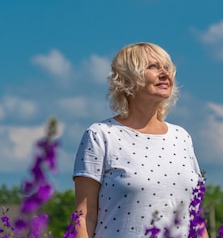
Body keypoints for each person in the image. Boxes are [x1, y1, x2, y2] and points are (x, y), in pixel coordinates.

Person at [72, 42, 206, 238]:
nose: (164, 73)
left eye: (167, 68)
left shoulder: (182, 137)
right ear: (127, 79)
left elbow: (195, 218)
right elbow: (84, 216)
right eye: (153, 66)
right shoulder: (101, 135)